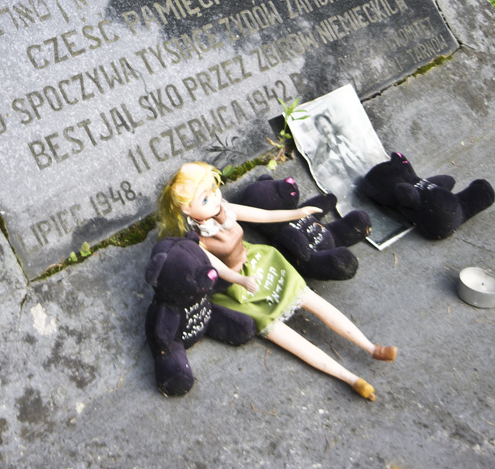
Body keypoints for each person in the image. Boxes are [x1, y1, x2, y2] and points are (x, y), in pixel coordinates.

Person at [157, 161, 396, 400]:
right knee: (284, 335)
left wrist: (299, 213)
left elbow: (264, 215)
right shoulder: (195, 240)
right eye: (205, 200)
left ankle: (371, 347)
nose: (215, 198)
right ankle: (351, 379)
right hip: (237, 287)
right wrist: (240, 280)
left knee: (310, 300)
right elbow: (218, 268)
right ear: (186, 210)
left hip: (260, 262)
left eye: (214, 190)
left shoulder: (225, 210)